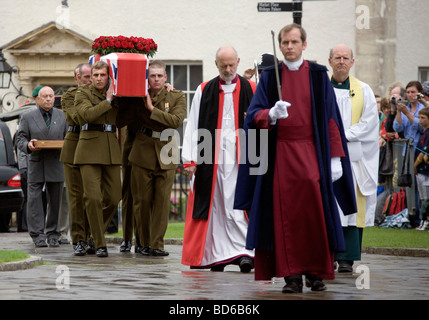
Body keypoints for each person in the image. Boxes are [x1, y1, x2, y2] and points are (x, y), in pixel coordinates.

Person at [234, 24, 356, 293]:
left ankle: (316, 273)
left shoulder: (318, 75)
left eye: (294, 42)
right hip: (281, 155)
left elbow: (331, 118)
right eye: (285, 43)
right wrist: (271, 115)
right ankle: (290, 276)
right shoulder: (269, 76)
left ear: (304, 45)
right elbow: (253, 115)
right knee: (285, 214)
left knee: (314, 213)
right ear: (280, 46)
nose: (289, 47)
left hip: (313, 152)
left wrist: (335, 158)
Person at [181, 46, 256, 272]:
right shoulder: (204, 90)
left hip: (242, 158)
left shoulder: (251, 88)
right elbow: (193, 123)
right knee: (214, 206)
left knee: (240, 204)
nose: (228, 69)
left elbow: (261, 123)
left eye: (232, 64)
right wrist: (190, 159)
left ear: (238, 61)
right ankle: (216, 256)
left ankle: (246, 253)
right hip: (210, 159)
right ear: (216, 64)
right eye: (223, 65)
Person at [116, 60, 186, 257]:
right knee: (142, 201)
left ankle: (157, 244)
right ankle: (143, 243)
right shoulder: (136, 97)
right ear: (147, 78)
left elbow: (176, 121)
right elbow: (120, 119)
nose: (156, 79)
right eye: (152, 76)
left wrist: (151, 108)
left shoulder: (176, 96)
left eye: (159, 76)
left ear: (165, 78)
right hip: (142, 150)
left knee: (162, 202)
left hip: (167, 151)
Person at [328, 44, 379, 273]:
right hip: (327, 154)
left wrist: (342, 136)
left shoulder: (364, 89)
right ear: (330, 61)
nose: (341, 61)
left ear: (352, 62)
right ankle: (328, 254)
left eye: (345, 58)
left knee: (351, 202)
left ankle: (347, 257)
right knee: (328, 203)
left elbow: (369, 123)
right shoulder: (321, 89)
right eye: (337, 58)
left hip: (354, 157)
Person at [73, 60, 121, 257]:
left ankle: (93, 234)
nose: (99, 79)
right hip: (89, 149)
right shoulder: (83, 93)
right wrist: (108, 101)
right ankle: (100, 244)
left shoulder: (117, 93)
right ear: (90, 77)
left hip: (110, 148)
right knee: (92, 198)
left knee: (114, 197)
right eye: (96, 75)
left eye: (103, 75)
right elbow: (86, 115)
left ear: (108, 76)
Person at [16, 86, 67, 247]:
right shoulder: (27, 116)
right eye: (44, 96)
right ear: (37, 99)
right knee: (34, 201)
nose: (48, 99)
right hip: (36, 163)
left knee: (56, 201)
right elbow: (20, 139)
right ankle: (37, 235)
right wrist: (28, 145)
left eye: (51, 96)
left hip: (56, 163)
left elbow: (69, 138)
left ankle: (53, 234)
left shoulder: (62, 116)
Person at [60, 63, 94, 256]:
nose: (90, 80)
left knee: (95, 197)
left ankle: (92, 236)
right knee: (76, 198)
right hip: (74, 146)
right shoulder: (70, 96)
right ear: (77, 78)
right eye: (86, 77)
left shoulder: (99, 95)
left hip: (93, 148)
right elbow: (77, 118)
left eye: (92, 76)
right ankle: (79, 239)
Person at [393, 80, 425, 151]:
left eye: (413, 92)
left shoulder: (424, 108)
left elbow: (421, 127)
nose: (410, 95)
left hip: (420, 148)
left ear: (420, 93)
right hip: (407, 148)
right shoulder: (405, 107)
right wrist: (398, 111)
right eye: (408, 92)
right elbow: (397, 128)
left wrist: (407, 114)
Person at [414, 108, 429, 231]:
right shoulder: (423, 132)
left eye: (423, 118)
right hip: (420, 171)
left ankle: (426, 221)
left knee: (426, 198)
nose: (420, 120)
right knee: (422, 197)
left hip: (425, 170)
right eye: (419, 117)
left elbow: (423, 153)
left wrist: (414, 165)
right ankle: (423, 221)